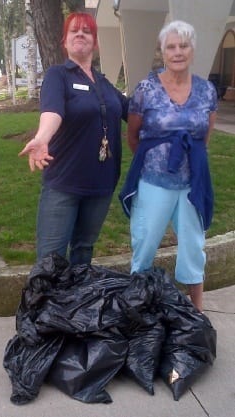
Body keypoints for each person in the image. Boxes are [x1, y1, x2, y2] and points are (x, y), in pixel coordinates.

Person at [119, 20, 218, 311]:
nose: (178, 52)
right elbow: (133, 136)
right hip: (154, 181)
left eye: (183, 46)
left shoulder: (207, 90)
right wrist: (159, 160)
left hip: (192, 184)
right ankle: (137, 310)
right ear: (162, 52)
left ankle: (197, 312)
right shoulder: (146, 88)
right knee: (145, 243)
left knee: (193, 247)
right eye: (171, 47)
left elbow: (204, 137)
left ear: (192, 49)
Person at [19, 12, 129, 266]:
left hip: (100, 185)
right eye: (74, 31)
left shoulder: (104, 83)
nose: (80, 34)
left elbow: (132, 112)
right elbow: (52, 111)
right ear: (65, 42)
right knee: (51, 260)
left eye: (87, 31)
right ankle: (46, 306)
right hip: (64, 184)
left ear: (96, 43)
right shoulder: (58, 76)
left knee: (83, 252)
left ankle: (77, 305)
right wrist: (42, 137)